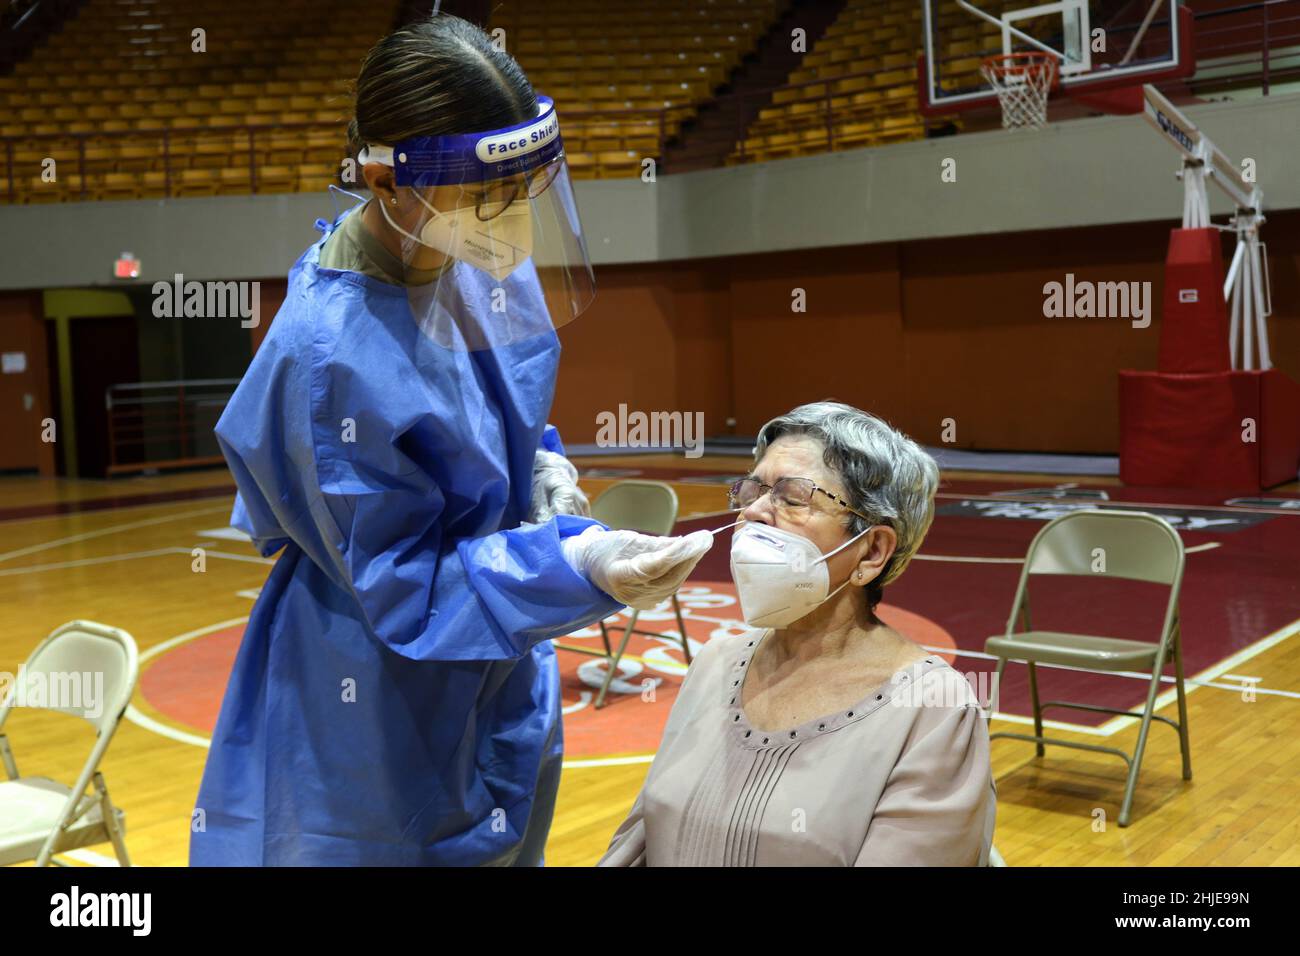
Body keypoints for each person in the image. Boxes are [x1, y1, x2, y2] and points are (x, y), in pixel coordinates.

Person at [190, 13, 711, 867]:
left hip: (502, 659)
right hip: (375, 693)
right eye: (483, 195)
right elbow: (408, 592)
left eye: (518, 194)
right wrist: (574, 566)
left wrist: (539, 466)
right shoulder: (329, 356)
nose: (504, 223)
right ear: (386, 180)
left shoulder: (468, 257)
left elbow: (500, 412)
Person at [599, 401, 996, 866]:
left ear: (871, 552)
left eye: (792, 497)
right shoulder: (716, 661)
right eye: (753, 491)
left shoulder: (933, 711)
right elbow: (638, 843)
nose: (755, 513)